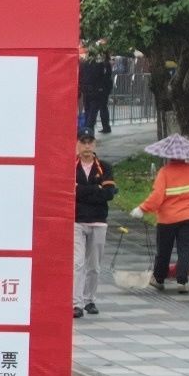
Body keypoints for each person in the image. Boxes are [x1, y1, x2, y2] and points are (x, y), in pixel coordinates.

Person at [135, 143, 189, 291]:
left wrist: (142, 208)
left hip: (167, 219)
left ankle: (159, 279)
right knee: (185, 249)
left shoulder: (164, 172)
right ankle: (182, 282)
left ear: (168, 156)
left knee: (164, 250)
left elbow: (157, 196)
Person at [70, 132, 115, 317]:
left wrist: (81, 190)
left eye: (90, 142)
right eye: (83, 142)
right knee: (78, 263)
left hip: (98, 221)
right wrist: (95, 189)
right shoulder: (71, 166)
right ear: (77, 144)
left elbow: (109, 193)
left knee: (94, 265)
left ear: (95, 145)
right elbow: (68, 191)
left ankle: (90, 300)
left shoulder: (104, 167)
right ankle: (76, 303)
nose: (87, 146)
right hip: (77, 221)